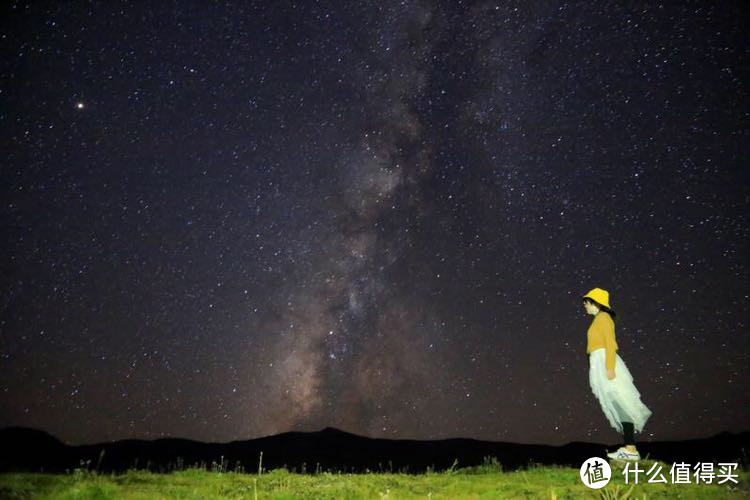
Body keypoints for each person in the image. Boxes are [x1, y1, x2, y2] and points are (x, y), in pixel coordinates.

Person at [582, 287, 652, 461]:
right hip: (599, 361)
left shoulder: (603, 318)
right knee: (616, 402)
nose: (585, 306)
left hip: (605, 360)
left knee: (620, 401)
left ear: (595, 303)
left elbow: (610, 344)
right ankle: (629, 447)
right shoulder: (598, 319)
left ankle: (630, 449)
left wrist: (610, 367)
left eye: (587, 302)